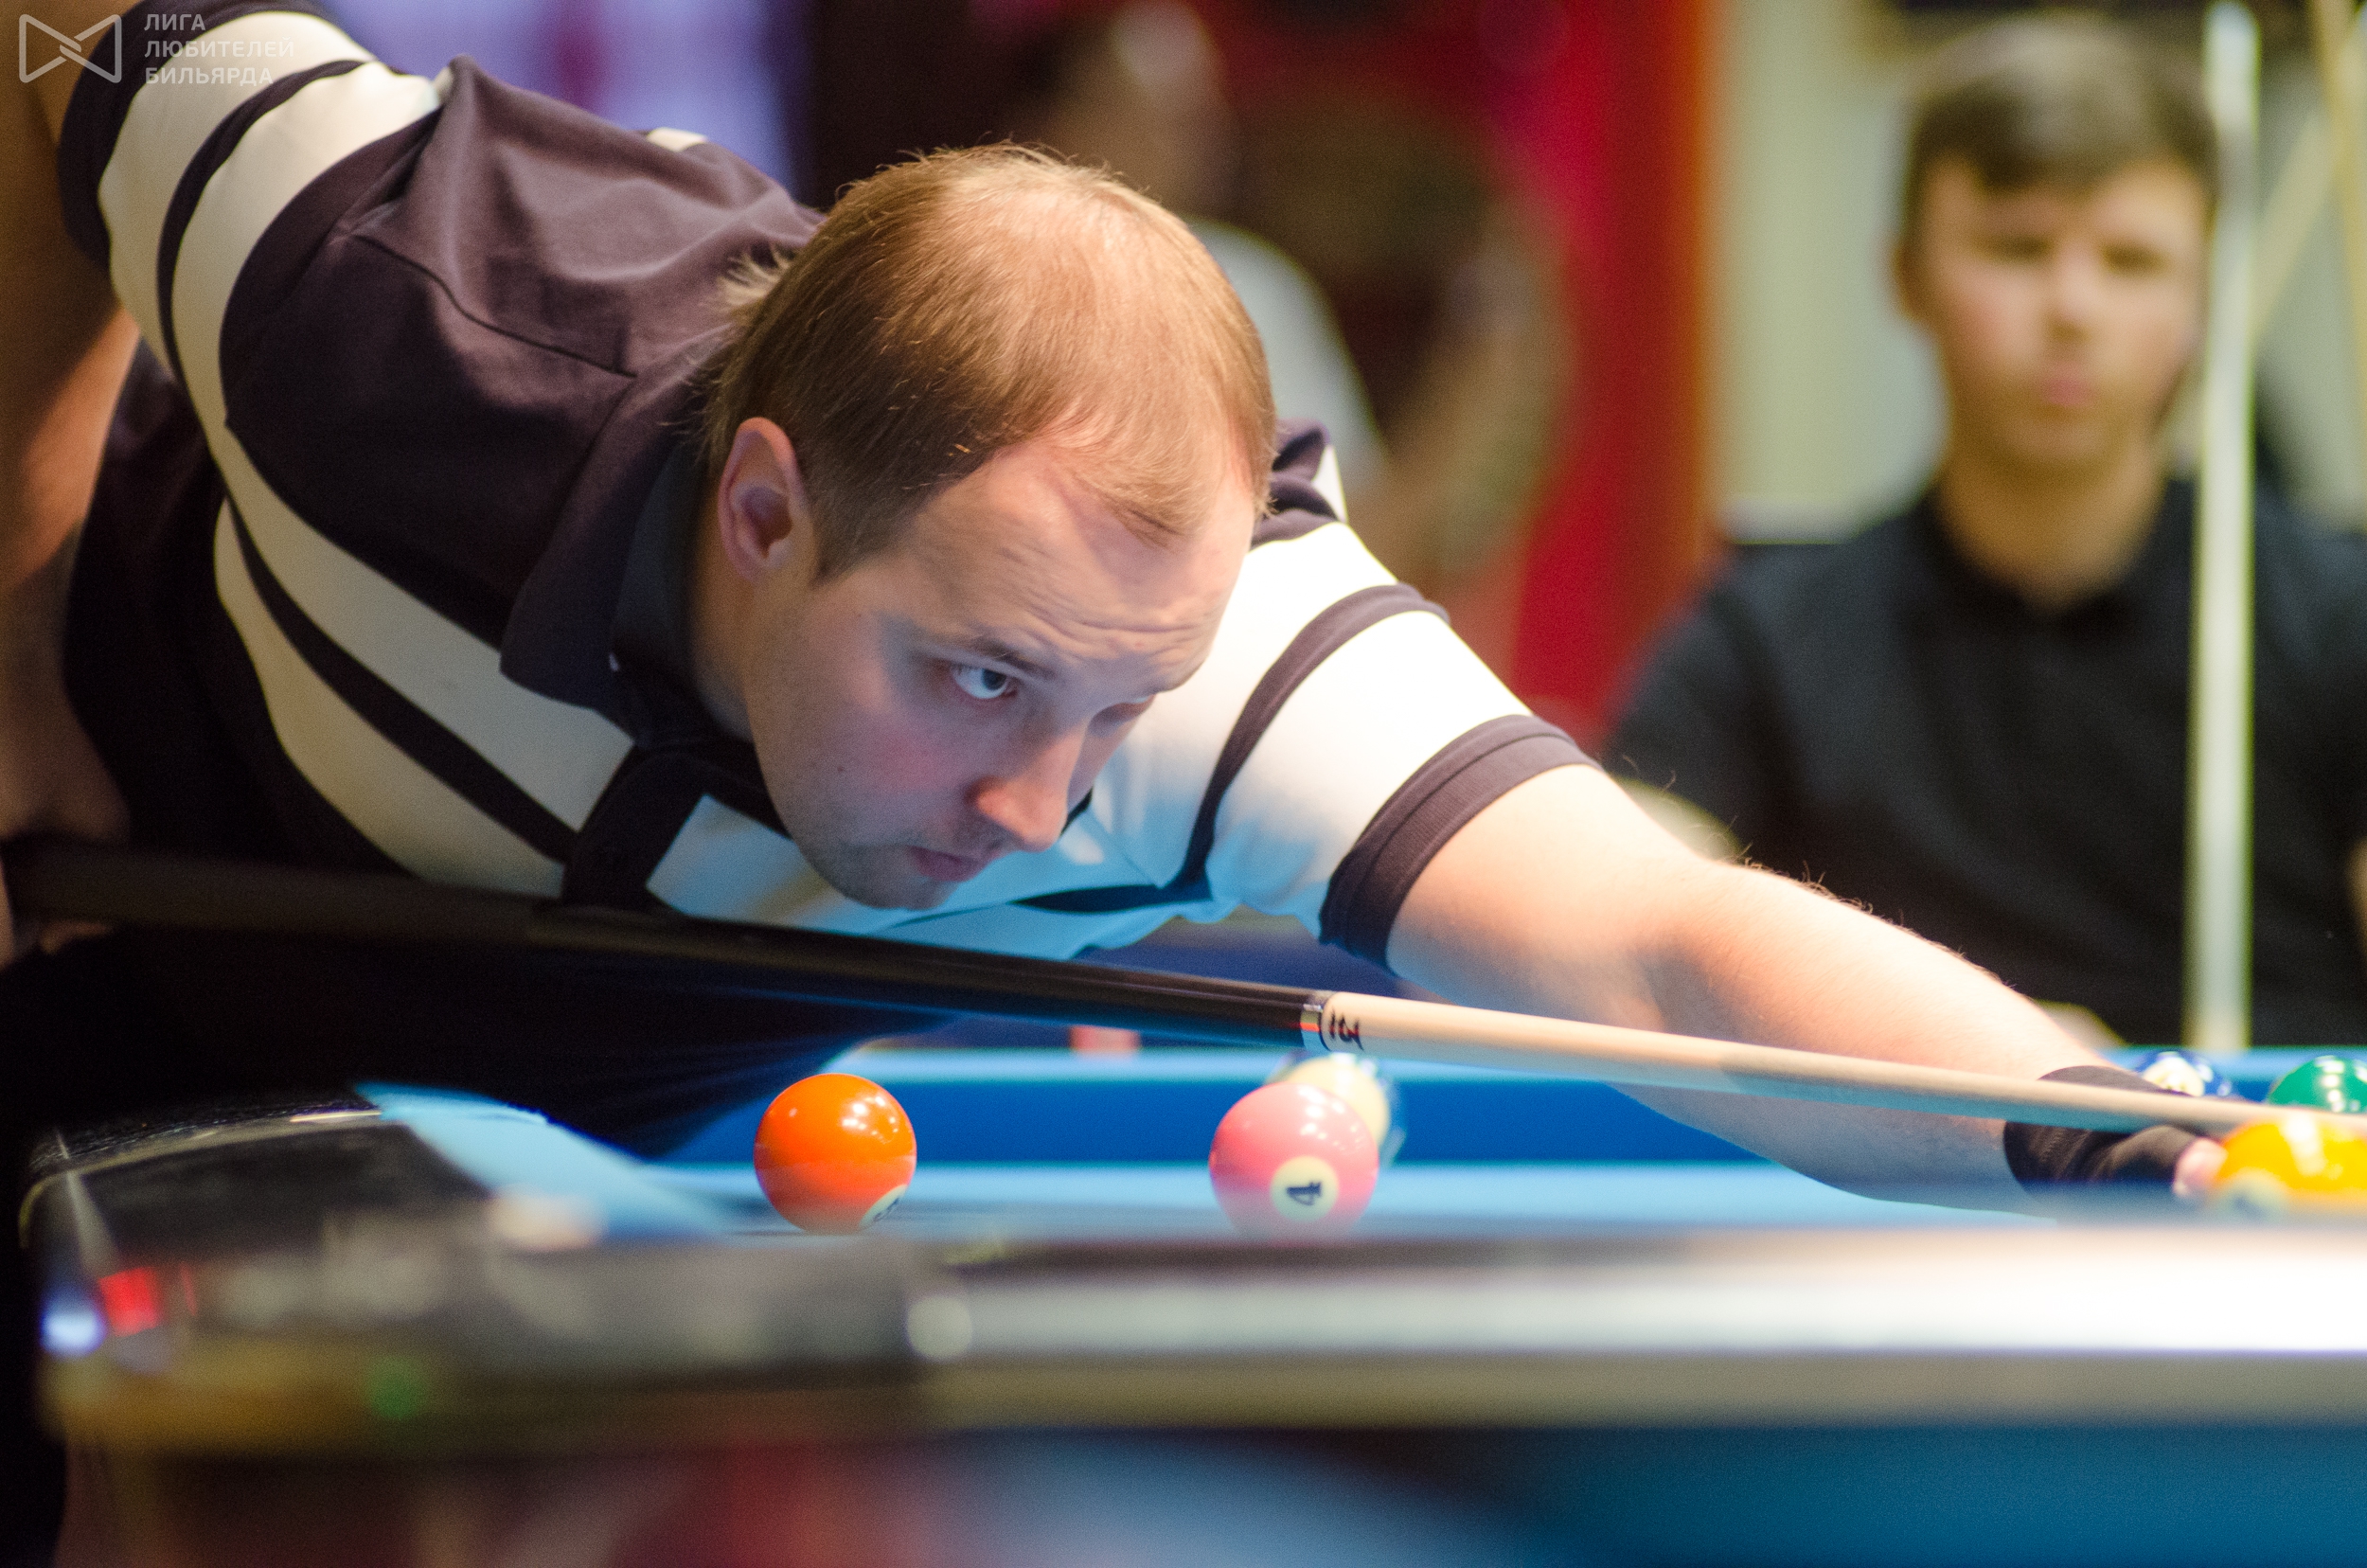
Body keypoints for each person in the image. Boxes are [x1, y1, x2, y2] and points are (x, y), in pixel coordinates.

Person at [0, 3, 2217, 1554]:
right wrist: (14, 607)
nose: (1046, 807)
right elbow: (55, 46)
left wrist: (2129, 1144)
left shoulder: (1214, 669)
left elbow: (1657, 941)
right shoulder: (406, 289)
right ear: (763, 513)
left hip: (435, 1088)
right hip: (93, 851)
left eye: (1110, 705)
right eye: (975, 676)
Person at [1611, 15, 2367, 1049]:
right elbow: (1618, 939)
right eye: (2017, 248)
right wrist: (1991, 1051)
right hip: (1900, 1143)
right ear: (1906, 275)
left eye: (2132, 261)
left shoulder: (2339, 621)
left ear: (2200, 305)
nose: (2071, 308)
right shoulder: (1766, 641)